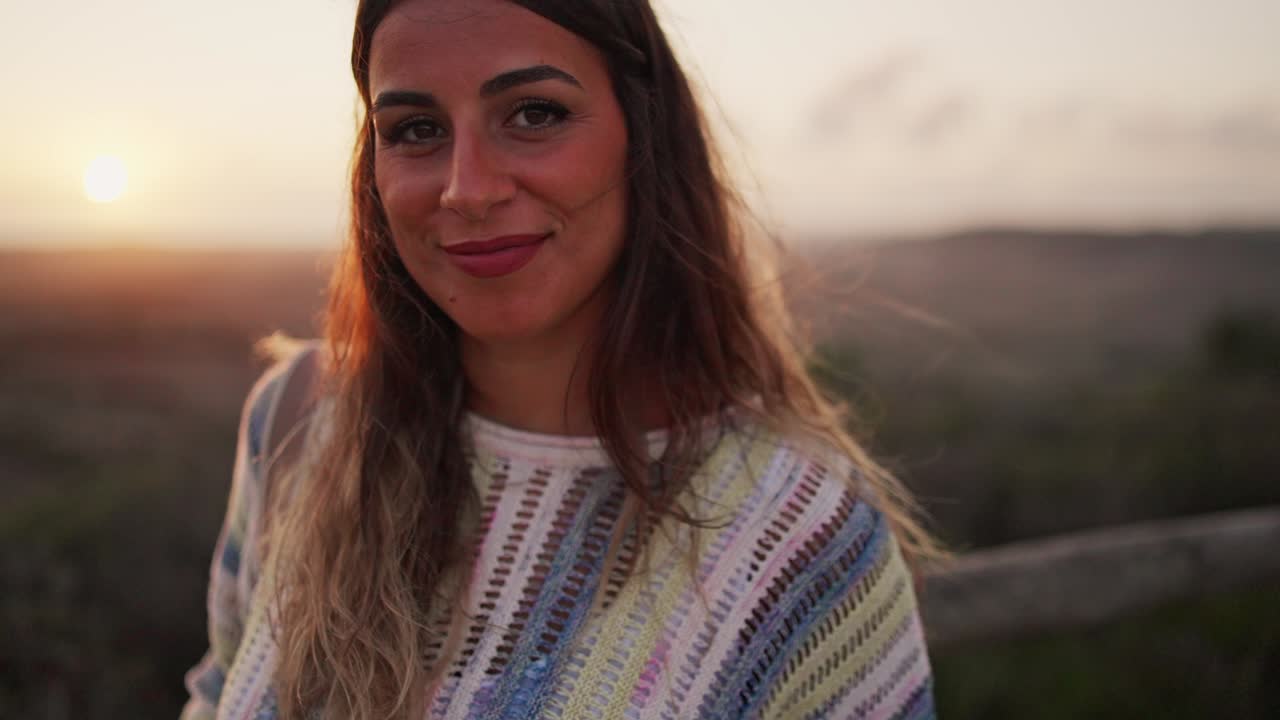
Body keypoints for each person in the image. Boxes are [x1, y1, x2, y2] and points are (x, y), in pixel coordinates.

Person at [181, 1, 940, 718]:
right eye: (415, 129)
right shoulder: (301, 418)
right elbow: (216, 694)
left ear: (643, 135)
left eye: (535, 114)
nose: (467, 189)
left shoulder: (801, 538)